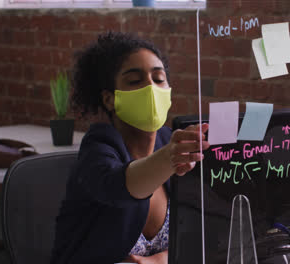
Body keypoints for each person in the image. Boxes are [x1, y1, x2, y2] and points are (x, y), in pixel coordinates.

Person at [50, 31, 210, 264]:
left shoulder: (169, 141)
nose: (150, 89)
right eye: (135, 81)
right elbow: (119, 186)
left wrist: (160, 260)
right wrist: (168, 159)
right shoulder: (99, 147)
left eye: (158, 79)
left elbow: (200, 234)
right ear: (109, 99)